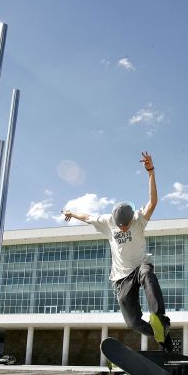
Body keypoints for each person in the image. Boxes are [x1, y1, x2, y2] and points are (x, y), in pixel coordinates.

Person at [62, 151, 173, 352]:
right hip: (121, 277)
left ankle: (160, 319)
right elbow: (87, 216)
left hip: (140, 266)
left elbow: (153, 202)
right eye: (120, 226)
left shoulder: (139, 218)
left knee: (148, 273)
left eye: (126, 225)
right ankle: (161, 337)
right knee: (132, 323)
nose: (123, 228)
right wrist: (71, 213)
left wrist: (150, 172)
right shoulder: (107, 221)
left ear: (132, 218)